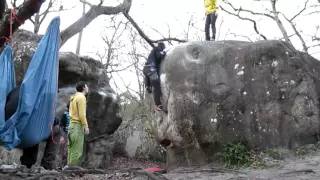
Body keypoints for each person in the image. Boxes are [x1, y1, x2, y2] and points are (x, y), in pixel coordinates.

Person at [4, 85, 66, 172]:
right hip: (26, 132)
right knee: (55, 130)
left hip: (8, 131)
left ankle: (26, 165)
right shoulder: (43, 95)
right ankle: (47, 166)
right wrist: (55, 120)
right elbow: (48, 119)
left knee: (34, 125)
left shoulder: (18, 89)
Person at [67, 81, 89, 167]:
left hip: (71, 126)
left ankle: (68, 170)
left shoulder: (73, 97)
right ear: (83, 88)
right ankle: (73, 171)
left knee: (71, 150)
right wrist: (85, 126)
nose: (88, 88)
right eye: (86, 86)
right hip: (77, 126)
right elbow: (82, 114)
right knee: (77, 150)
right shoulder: (81, 97)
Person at [143, 42, 166, 111]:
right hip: (151, 69)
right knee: (156, 87)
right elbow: (160, 56)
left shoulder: (152, 52)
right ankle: (158, 105)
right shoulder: (158, 49)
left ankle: (147, 86)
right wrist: (164, 53)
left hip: (146, 69)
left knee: (151, 81)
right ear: (162, 46)